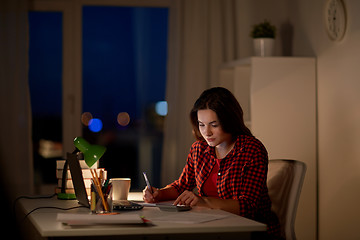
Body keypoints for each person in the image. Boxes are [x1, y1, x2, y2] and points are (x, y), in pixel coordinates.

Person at [143, 87, 281, 239]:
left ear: (230, 121)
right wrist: (159, 193)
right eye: (201, 125)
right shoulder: (199, 149)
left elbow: (248, 207)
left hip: (248, 231)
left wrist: (205, 202)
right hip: (212, 226)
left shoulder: (251, 149)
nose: (206, 132)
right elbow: (181, 186)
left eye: (214, 125)